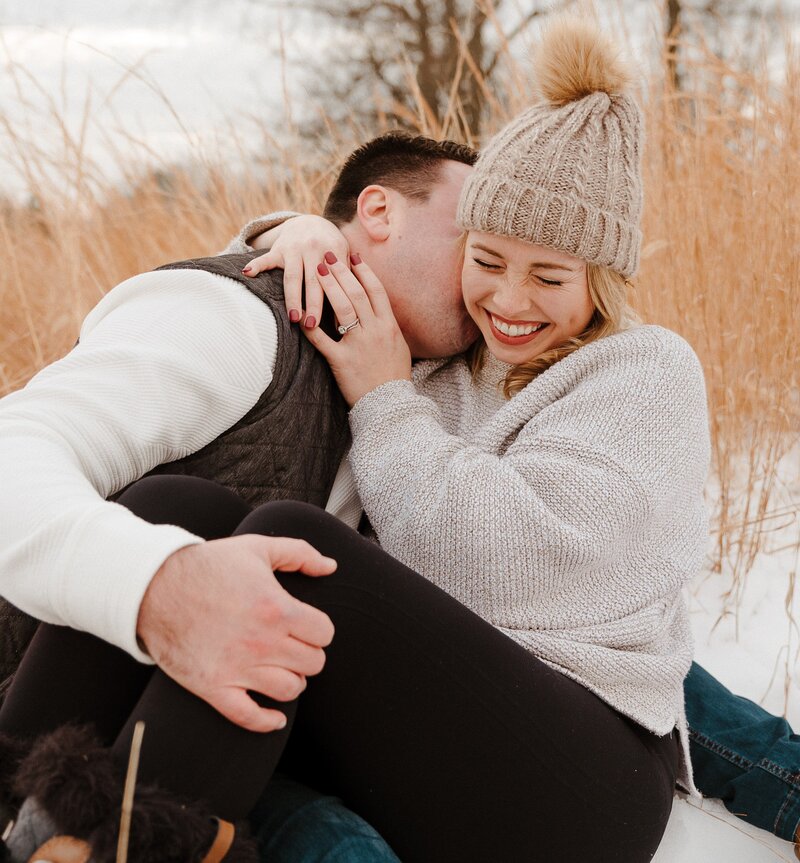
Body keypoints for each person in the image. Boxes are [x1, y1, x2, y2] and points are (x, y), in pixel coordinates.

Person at [0, 21, 797, 863]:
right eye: (482, 253)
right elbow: (332, 293)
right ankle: (40, 818)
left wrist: (383, 398)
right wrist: (303, 233)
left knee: (295, 552)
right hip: (438, 741)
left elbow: (508, 576)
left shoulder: (641, 371)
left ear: (600, 279)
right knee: (172, 511)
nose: (505, 296)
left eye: (552, 276)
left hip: (582, 780)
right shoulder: (435, 360)